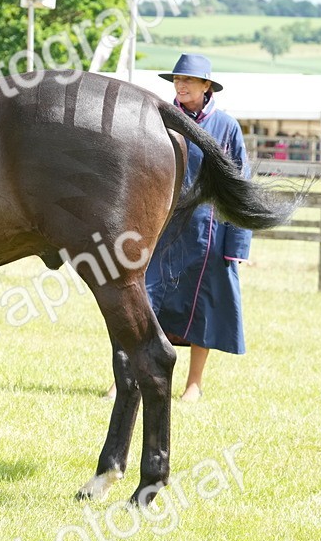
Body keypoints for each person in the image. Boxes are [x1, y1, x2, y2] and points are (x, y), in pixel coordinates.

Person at [106, 54, 253, 403]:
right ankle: (124, 381)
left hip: (208, 234)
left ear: (206, 86)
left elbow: (239, 183)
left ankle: (194, 384)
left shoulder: (226, 127)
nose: (181, 86)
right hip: (157, 229)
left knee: (204, 310)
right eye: (176, 80)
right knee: (139, 307)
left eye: (188, 80)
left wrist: (238, 245)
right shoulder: (155, 120)